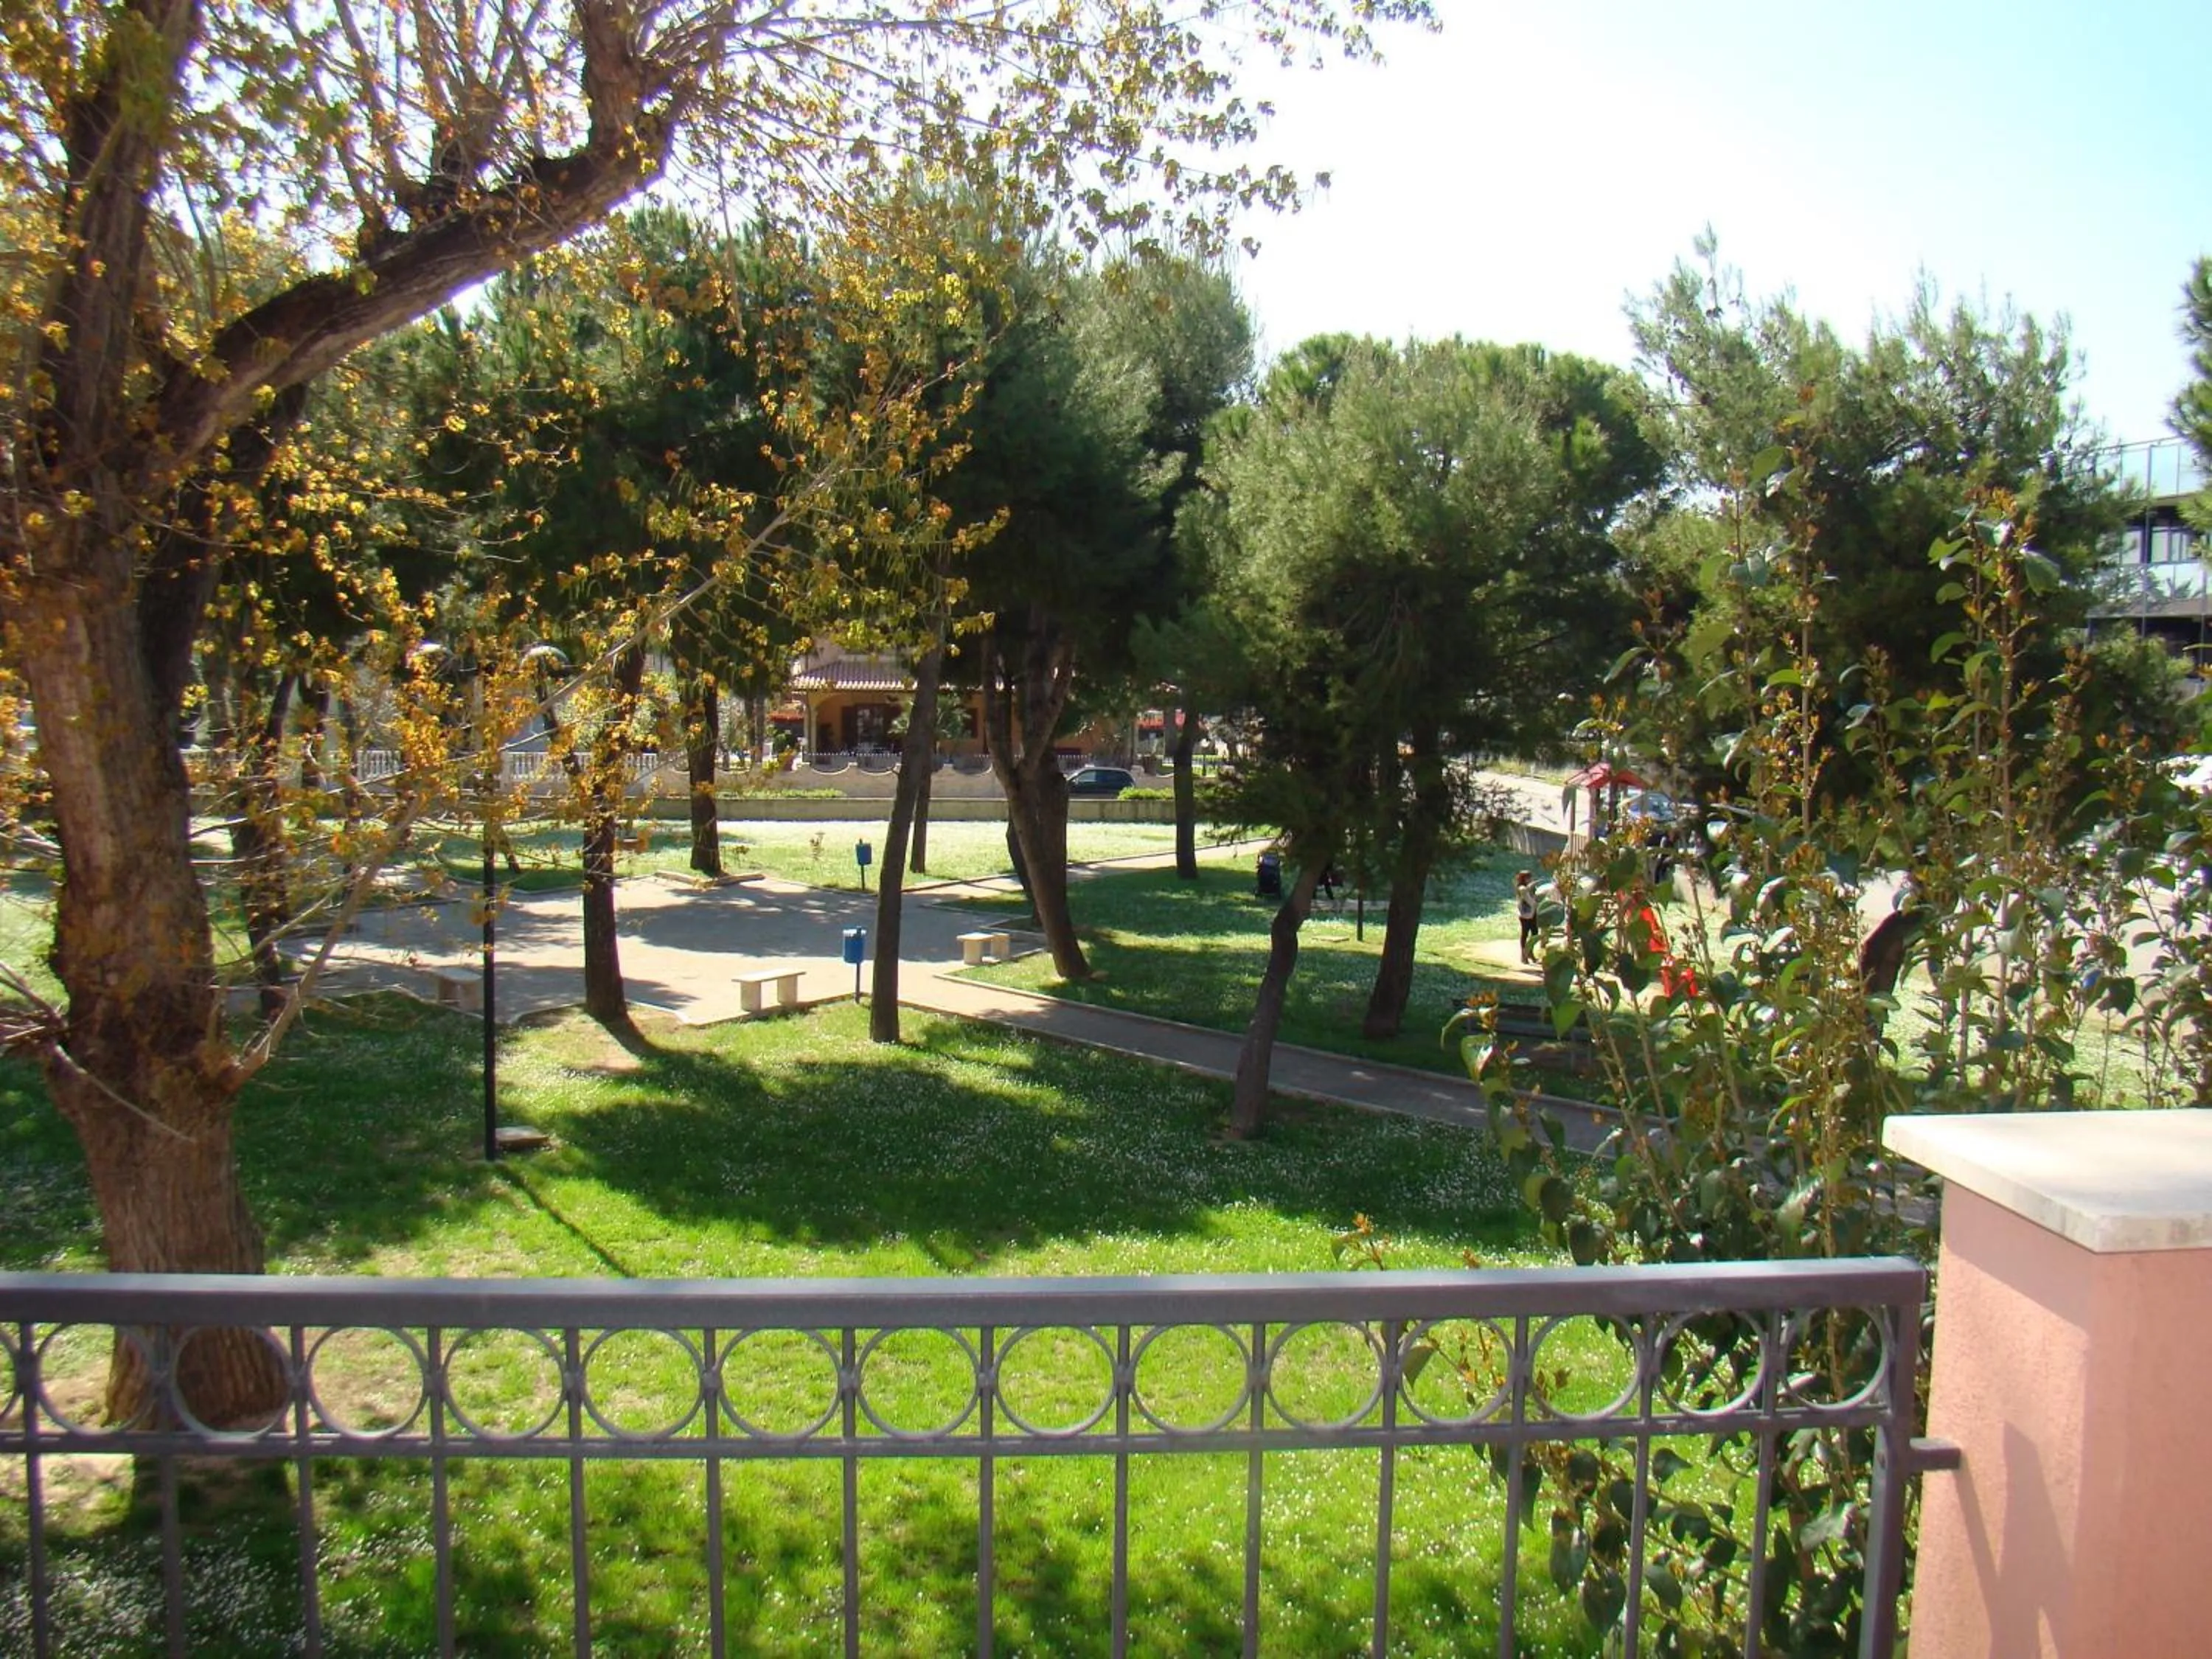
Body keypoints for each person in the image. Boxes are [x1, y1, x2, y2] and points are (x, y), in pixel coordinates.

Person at [1515, 870, 1540, 963]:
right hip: (1525, 914)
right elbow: (1530, 901)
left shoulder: (1531, 888)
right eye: (1527, 878)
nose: (1530, 879)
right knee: (1525, 934)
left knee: (1535, 933)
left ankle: (1530, 952)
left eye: (1530, 877)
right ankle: (1524, 955)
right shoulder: (1522, 888)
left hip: (1533, 913)